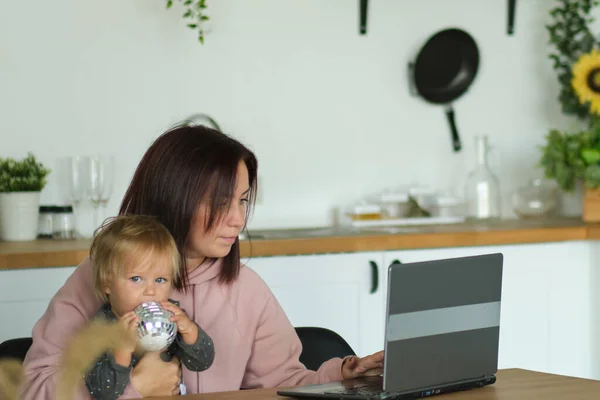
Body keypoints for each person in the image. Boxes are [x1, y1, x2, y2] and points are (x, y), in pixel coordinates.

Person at [20, 125, 384, 399]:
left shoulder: (246, 287)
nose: (238, 219)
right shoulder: (102, 277)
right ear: (175, 197)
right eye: (221, 202)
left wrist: (344, 377)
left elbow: (282, 385)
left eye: (242, 201)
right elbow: (32, 389)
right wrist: (135, 389)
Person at [84, 215, 214, 399]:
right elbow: (101, 393)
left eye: (160, 280)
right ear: (107, 283)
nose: (151, 291)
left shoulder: (171, 316)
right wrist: (121, 353)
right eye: (136, 278)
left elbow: (202, 362)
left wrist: (189, 331)